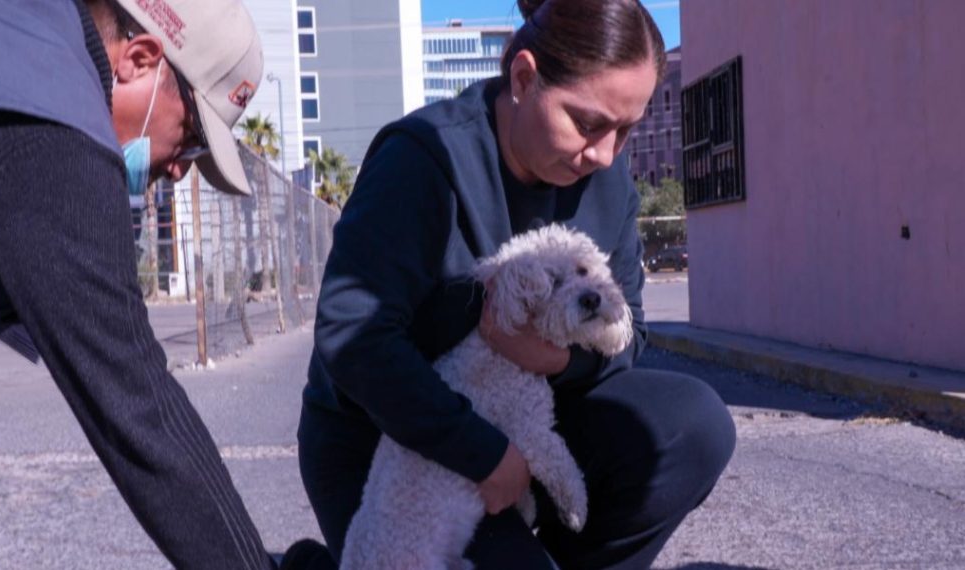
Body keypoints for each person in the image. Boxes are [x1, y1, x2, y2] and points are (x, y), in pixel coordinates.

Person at [0, 1, 322, 568]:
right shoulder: (52, 131)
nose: (180, 169)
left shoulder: (15, 36)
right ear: (139, 59)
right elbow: (137, 409)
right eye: (190, 139)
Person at [298, 0, 737, 568]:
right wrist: (481, 452)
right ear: (525, 78)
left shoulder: (608, 182)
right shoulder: (423, 160)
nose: (605, 154)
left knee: (694, 426)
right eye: (587, 124)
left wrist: (551, 361)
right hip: (393, 444)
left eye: (626, 130)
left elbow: (631, 334)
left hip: (530, 419)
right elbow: (352, 337)